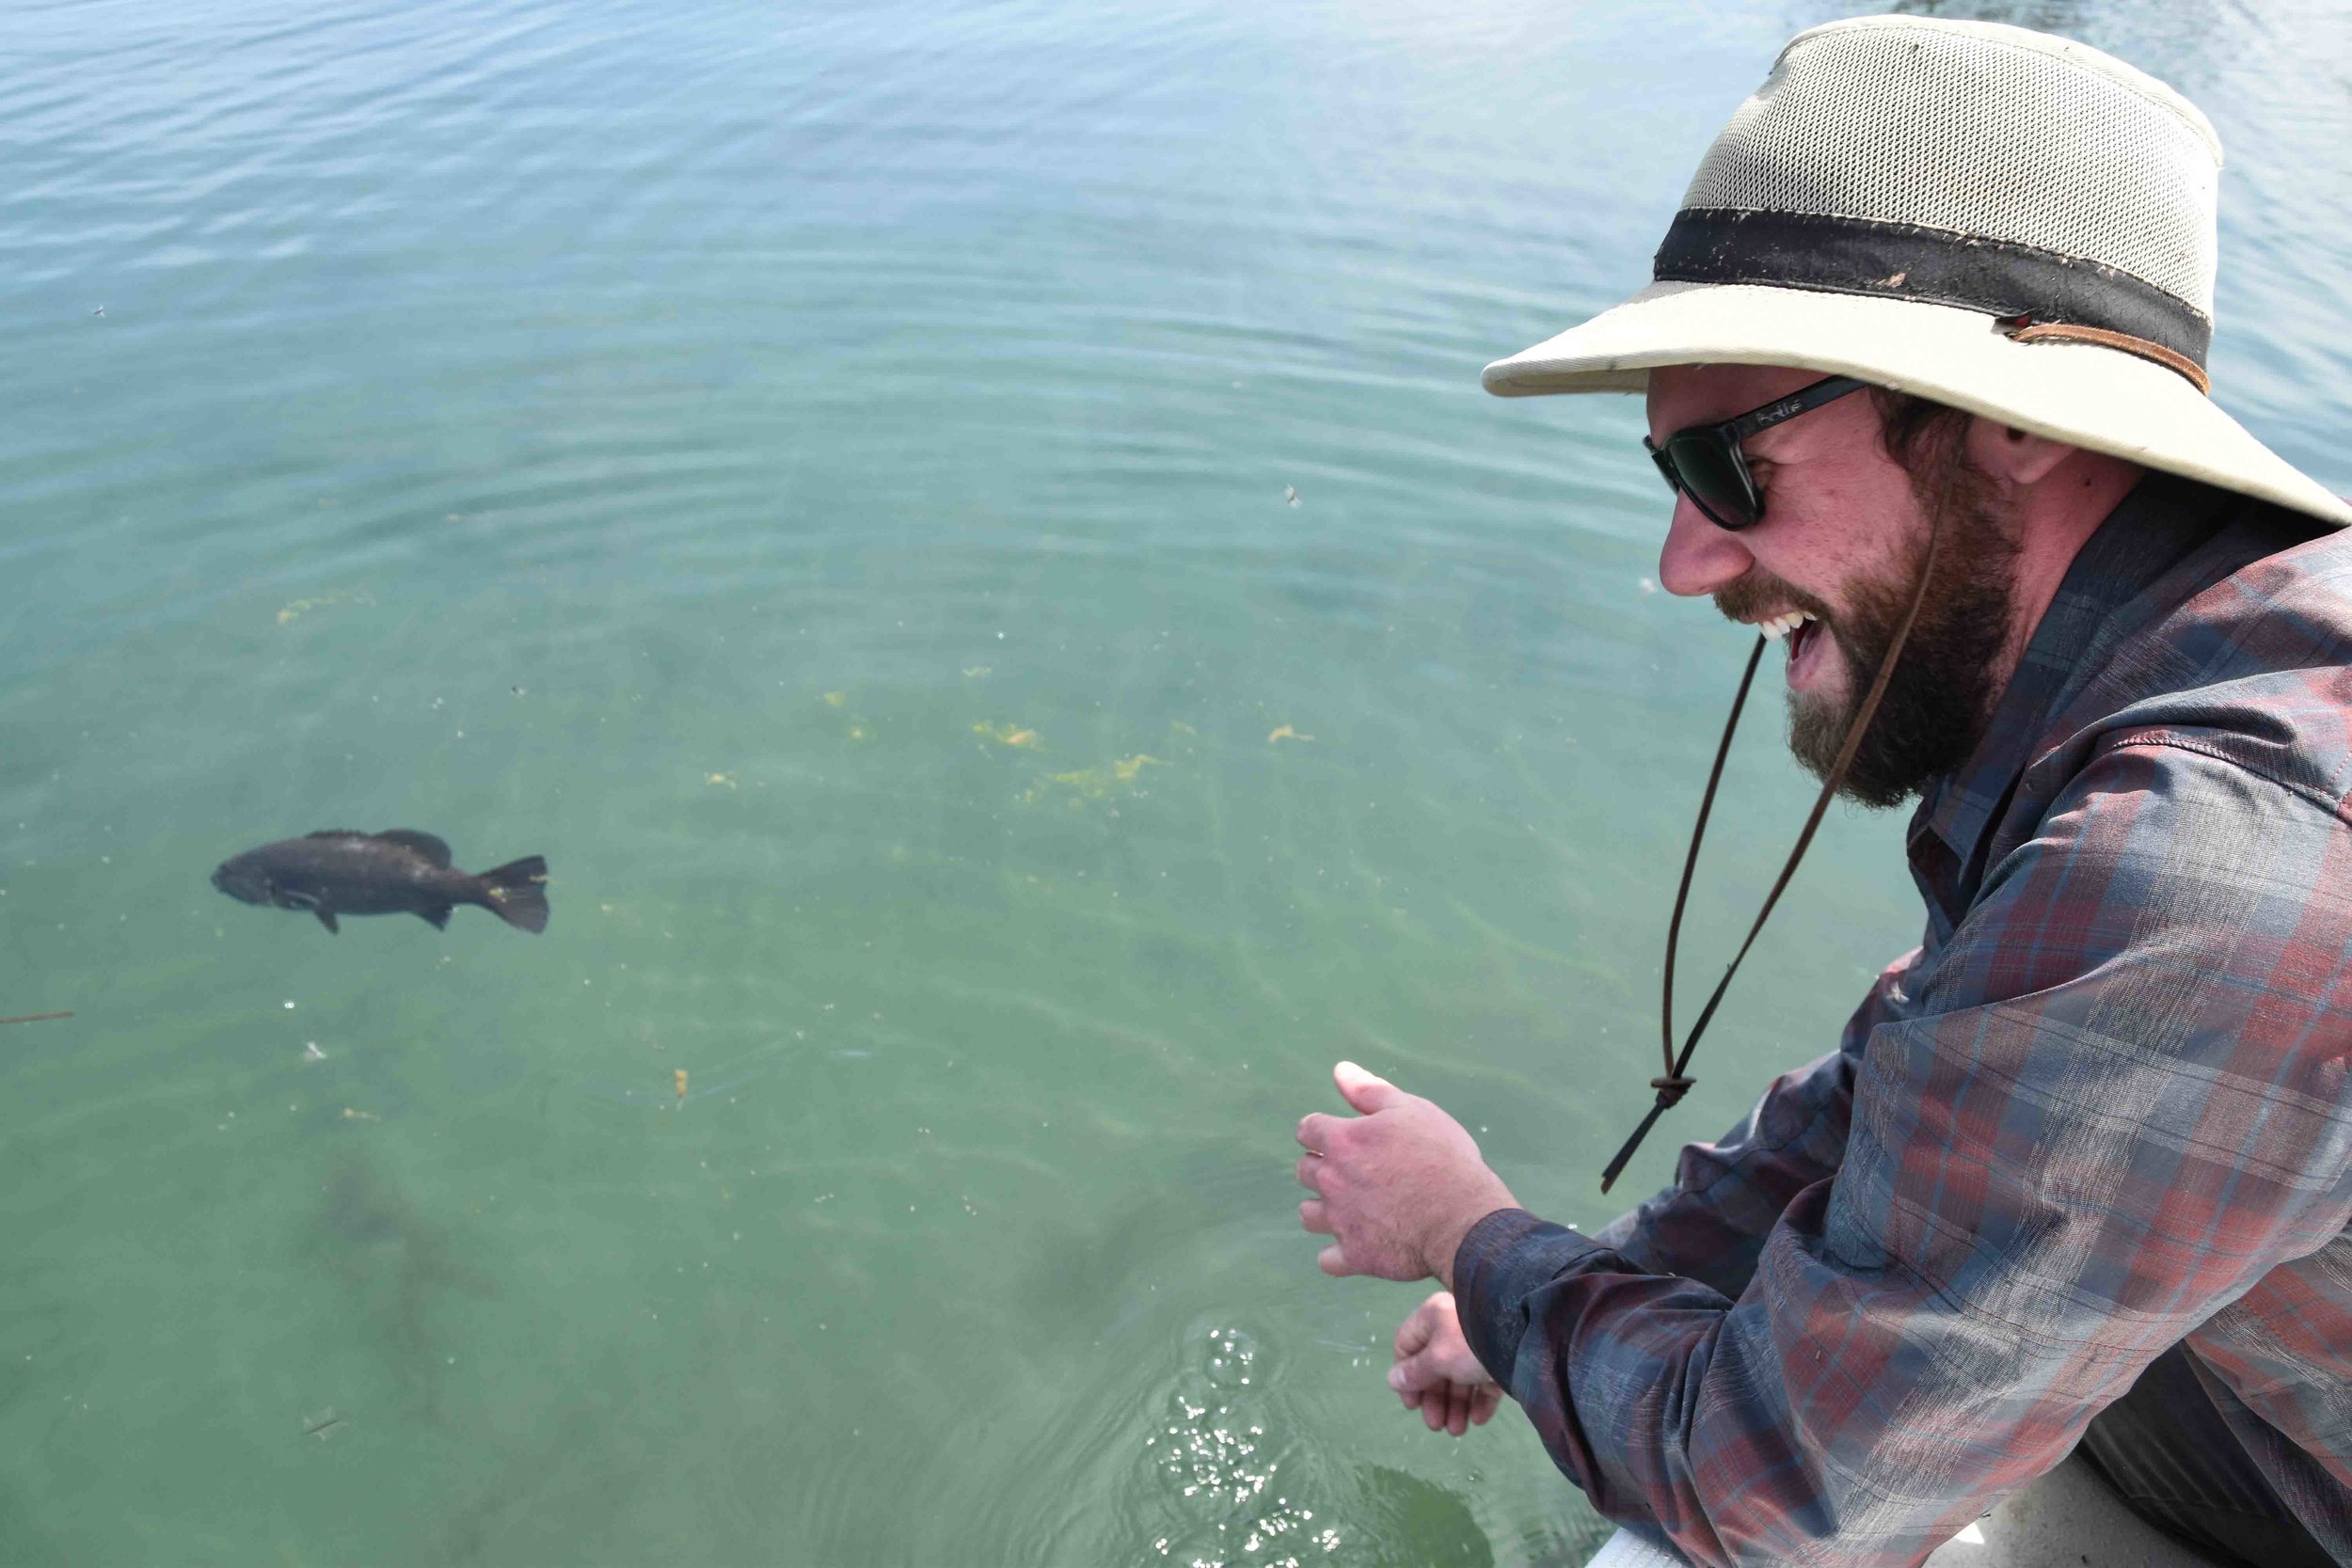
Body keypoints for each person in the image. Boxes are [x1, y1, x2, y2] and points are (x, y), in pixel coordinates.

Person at [1291, 17, 2352, 1568]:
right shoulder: (2173, 682)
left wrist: (1473, 1237)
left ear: (2011, 429)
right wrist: (1549, 1295)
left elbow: (1779, 1495)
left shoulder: (2211, 870)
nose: (1683, 564)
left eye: (1729, 473)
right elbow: (1921, 1074)